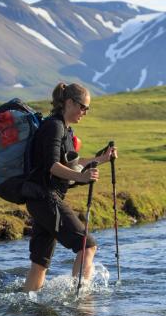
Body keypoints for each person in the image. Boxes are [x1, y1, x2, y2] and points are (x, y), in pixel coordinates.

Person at [23, 82, 117, 292]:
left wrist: (101, 159)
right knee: (87, 246)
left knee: (40, 264)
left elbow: (71, 164)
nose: (85, 112)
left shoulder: (64, 129)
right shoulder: (54, 126)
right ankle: (81, 304)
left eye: (88, 108)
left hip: (41, 200)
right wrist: (81, 178)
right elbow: (52, 166)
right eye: (83, 107)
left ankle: (29, 307)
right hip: (46, 199)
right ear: (68, 102)